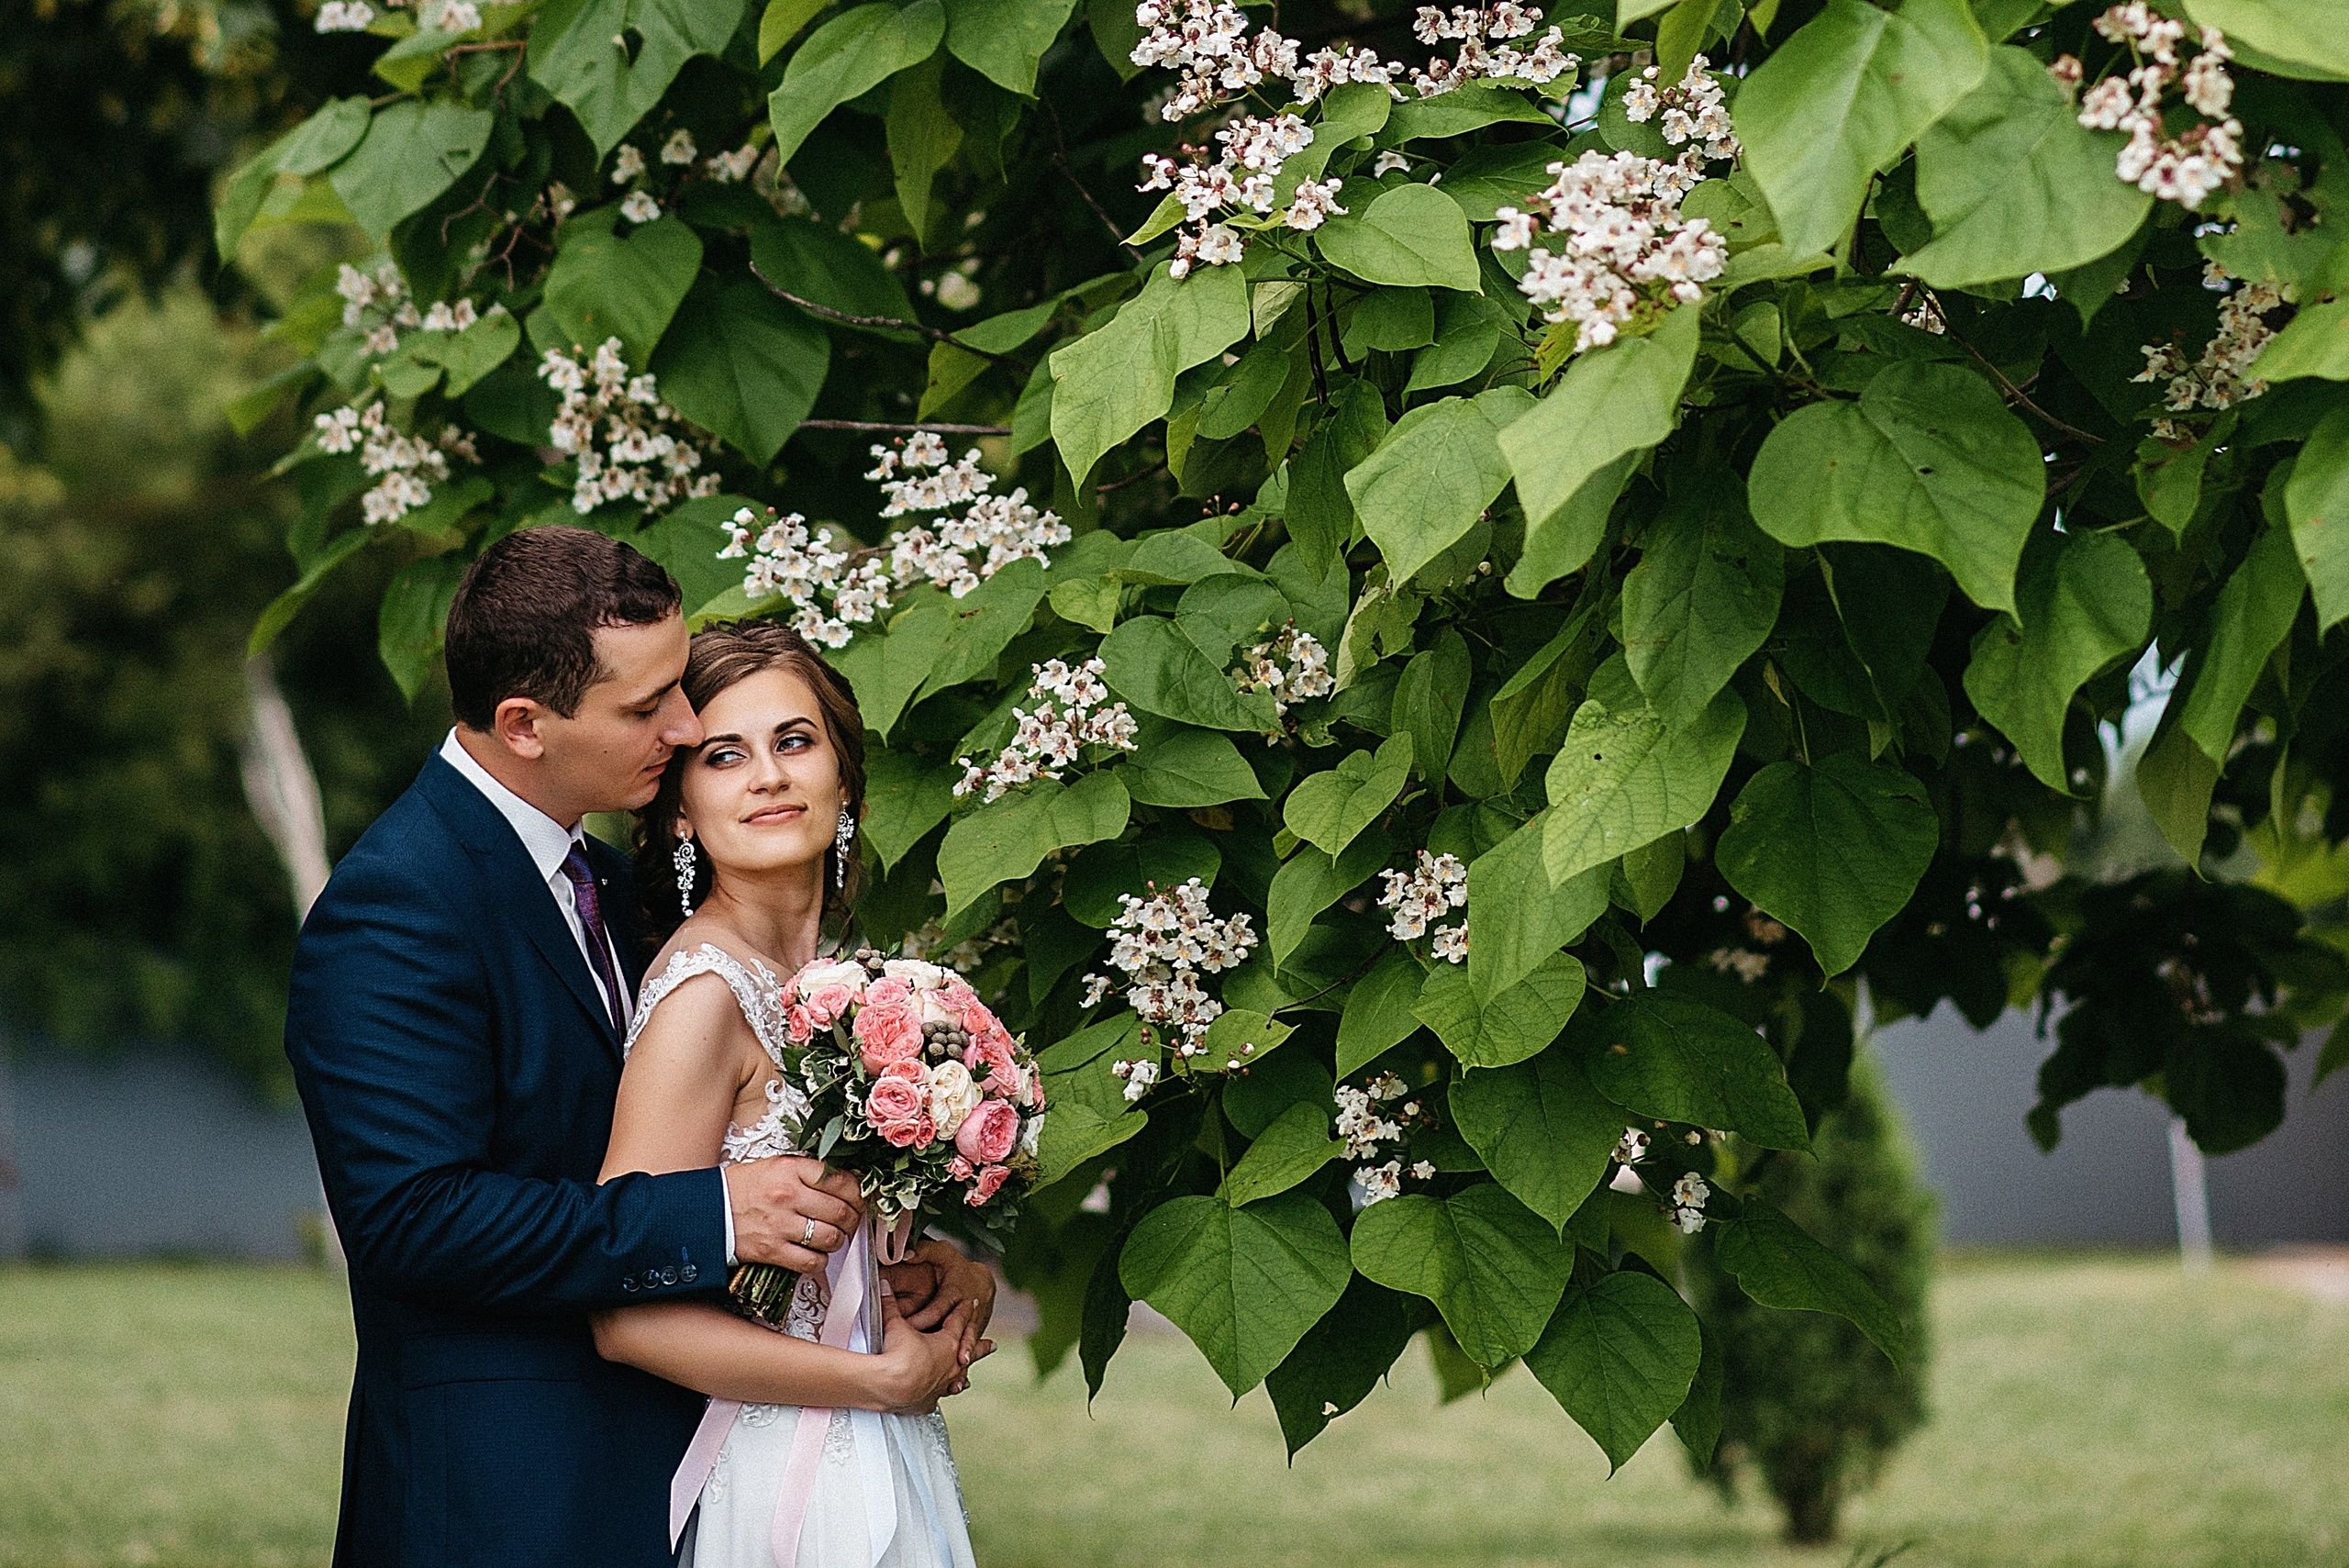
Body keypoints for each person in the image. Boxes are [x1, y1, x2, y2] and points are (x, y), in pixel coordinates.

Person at [284, 528, 974, 1568]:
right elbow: (413, 1220)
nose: (686, 723)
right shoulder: (396, 905)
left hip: (684, 1459)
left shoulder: (610, 889)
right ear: (525, 723)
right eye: (649, 707)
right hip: (503, 1494)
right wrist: (707, 1215)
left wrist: (913, 1264)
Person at [593, 619, 993, 1568]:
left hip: (892, 1448)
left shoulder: (855, 987)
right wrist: (876, 1380)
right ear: (682, 808)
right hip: (783, 1473)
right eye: (725, 754)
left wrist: (950, 1269)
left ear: (844, 781)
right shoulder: (702, 997)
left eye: (794, 740)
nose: (767, 775)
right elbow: (626, 1314)